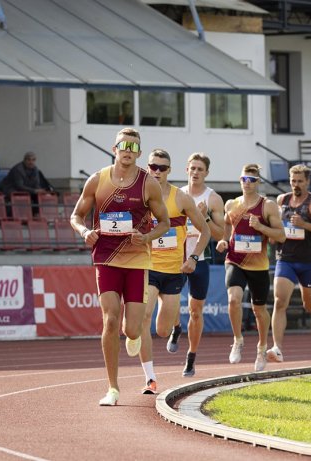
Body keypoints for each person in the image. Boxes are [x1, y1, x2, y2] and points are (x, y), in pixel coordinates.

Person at [69, 127, 169, 406]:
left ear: (138, 152)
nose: (129, 151)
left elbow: (165, 222)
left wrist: (147, 236)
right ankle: (113, 388)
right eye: (124, 145)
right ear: (114, 149)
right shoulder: (97, 180)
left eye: (134, 147)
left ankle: (133, 335)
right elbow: (76, 215)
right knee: (110, 319)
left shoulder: (148, 183)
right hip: (106, 257)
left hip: (137, 259)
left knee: (133, 328)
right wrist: (83, 232)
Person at [136, 149, 210, 394]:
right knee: (143, 318)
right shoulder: (139, 197)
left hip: (174, 271)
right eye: (153, 166)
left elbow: (205, 232)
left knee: (162, 330)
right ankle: (150, 378)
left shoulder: (181, 198)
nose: (157, 171)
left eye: (162, 168)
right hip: (147, 267)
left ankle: (176, 327)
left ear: (169, 170)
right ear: (147, 167)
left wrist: (194, 258)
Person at [216, 164, 285, 372]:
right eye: (245, 179)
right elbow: (228, 225)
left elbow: (281, 236)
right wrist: (224, 240)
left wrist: (260, 227)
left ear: (258, 182)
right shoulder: (231, 204)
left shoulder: (268, 206)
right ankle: (238, 339)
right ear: (240, 180)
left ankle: (262, 346)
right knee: (233, 299)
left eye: (252, 180)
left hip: (258, 264)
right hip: (235, 259)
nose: (248, 183)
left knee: (258, 309)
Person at [267, 164, 311, 363]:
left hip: (307, 261)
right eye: (292, 181)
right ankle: (277, 348)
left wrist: (305, 224)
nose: (295, 185)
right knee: (280, 302)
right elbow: (277, 226)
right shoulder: (282, 200)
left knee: (308, 304)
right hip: (285, 259)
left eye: (299, 181)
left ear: (307, 182)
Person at [167, 152, 225, 377]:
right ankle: (176, 327)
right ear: (186, 170)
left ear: (207, 173)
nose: (196, 173)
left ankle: (191, 356)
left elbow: (221, 234)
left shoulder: (213, 199)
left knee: (196, 311)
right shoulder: (177, 195)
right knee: (171, 303)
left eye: (200, 169)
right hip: (177, 257)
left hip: (200, 259)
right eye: (193, 168)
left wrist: (205, 218)